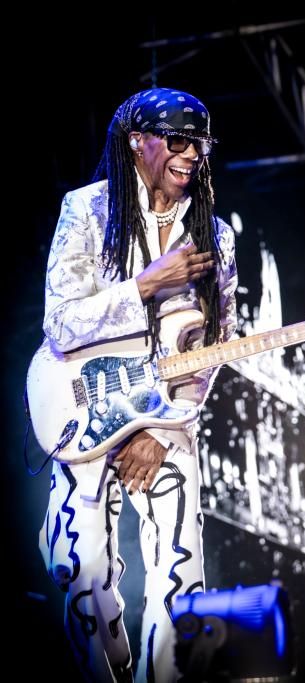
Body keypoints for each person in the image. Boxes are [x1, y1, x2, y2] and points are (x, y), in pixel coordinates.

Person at [37, 87, 237, 682]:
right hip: (83, 408)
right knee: (78, 567)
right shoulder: (87, 210)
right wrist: (145, 285)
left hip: (168, 420)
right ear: (136, 142)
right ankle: (115, 670)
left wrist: (160, 427)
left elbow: (215, 343)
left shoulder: (215, 236)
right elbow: (59, 323)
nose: (191, 155)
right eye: (178, 141)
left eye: (200, 145)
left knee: (180, 574)